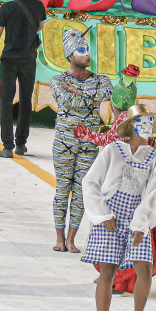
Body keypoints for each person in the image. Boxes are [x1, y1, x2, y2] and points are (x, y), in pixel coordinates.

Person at [83, 103, 156, 311]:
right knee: (106, 273)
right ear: (131, 126)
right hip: (110, 217)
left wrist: (140, 225)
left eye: (151, 122)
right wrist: (103, 214)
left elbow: (152, 195)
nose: (148, 126)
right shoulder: (112, 151)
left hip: (137, 217)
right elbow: (90, 182)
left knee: (144, 270)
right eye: (143, 122)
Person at [49, 28, 111, 253]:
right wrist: (84, 97)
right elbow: (64, 99)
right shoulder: (57, 80)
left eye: (87, 50)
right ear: (69, 56)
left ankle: (72, 239)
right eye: (81, 50)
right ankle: (59, 236)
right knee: (63, 189)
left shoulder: (101, 80)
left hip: (88, 144)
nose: (87, 55)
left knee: (82, 190)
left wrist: (77, 92)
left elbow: (107, 94)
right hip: (64, 143)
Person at [0, 0, 48, 157]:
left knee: (6, 101)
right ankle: (21, 144)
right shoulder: (38, 7)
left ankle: (7, 147)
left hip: (9, 61)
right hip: (28, 60)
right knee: (26, 101)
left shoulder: (7, 8)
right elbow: (39, 27)